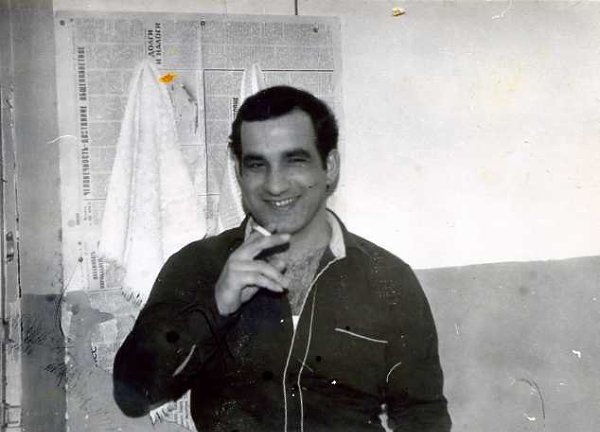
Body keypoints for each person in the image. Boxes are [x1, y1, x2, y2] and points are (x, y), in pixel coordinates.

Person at [113, 86, 451, 431]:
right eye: (257, 165)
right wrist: (216, 306)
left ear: (329, 167)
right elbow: (132, 396)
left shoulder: (388, 278)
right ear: (239, 172)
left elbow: (423, 415)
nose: (275, 185)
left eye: (294, 161)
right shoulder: (197, 264)